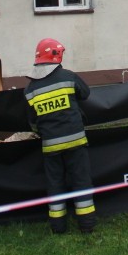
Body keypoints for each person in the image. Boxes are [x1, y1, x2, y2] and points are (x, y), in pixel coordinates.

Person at [24, 38, 96, 234]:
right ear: (57, 56)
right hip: (75, 140)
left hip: (50, 146)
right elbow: (85, 93)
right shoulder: (68, 77)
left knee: (55, 184)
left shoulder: (30, 89)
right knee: (81, 181)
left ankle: (58, 227)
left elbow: (32, 122)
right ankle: (87, 225)